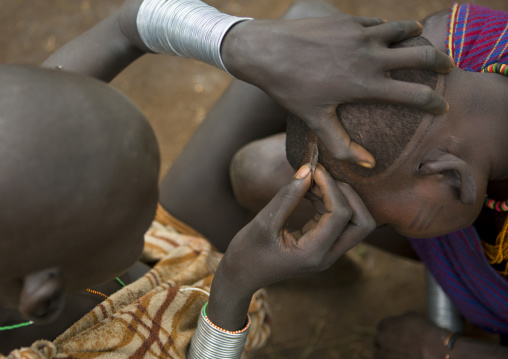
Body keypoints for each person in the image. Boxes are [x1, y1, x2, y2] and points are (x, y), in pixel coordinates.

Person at [0, 0, 449, 357]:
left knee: (305, 21)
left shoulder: (18, 144)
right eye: (138, 226)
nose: (149, 217)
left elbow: (128, 24)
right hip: (204, 326)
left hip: (174, 258)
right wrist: (234, 284)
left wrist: (239, 41)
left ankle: (311, 268)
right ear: (44, 298)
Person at [226, 2, 508, 358]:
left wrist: (441, 348)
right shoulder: (449, 38)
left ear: (452, 176)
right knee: (258, 170)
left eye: (383, 222)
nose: (366, 227)